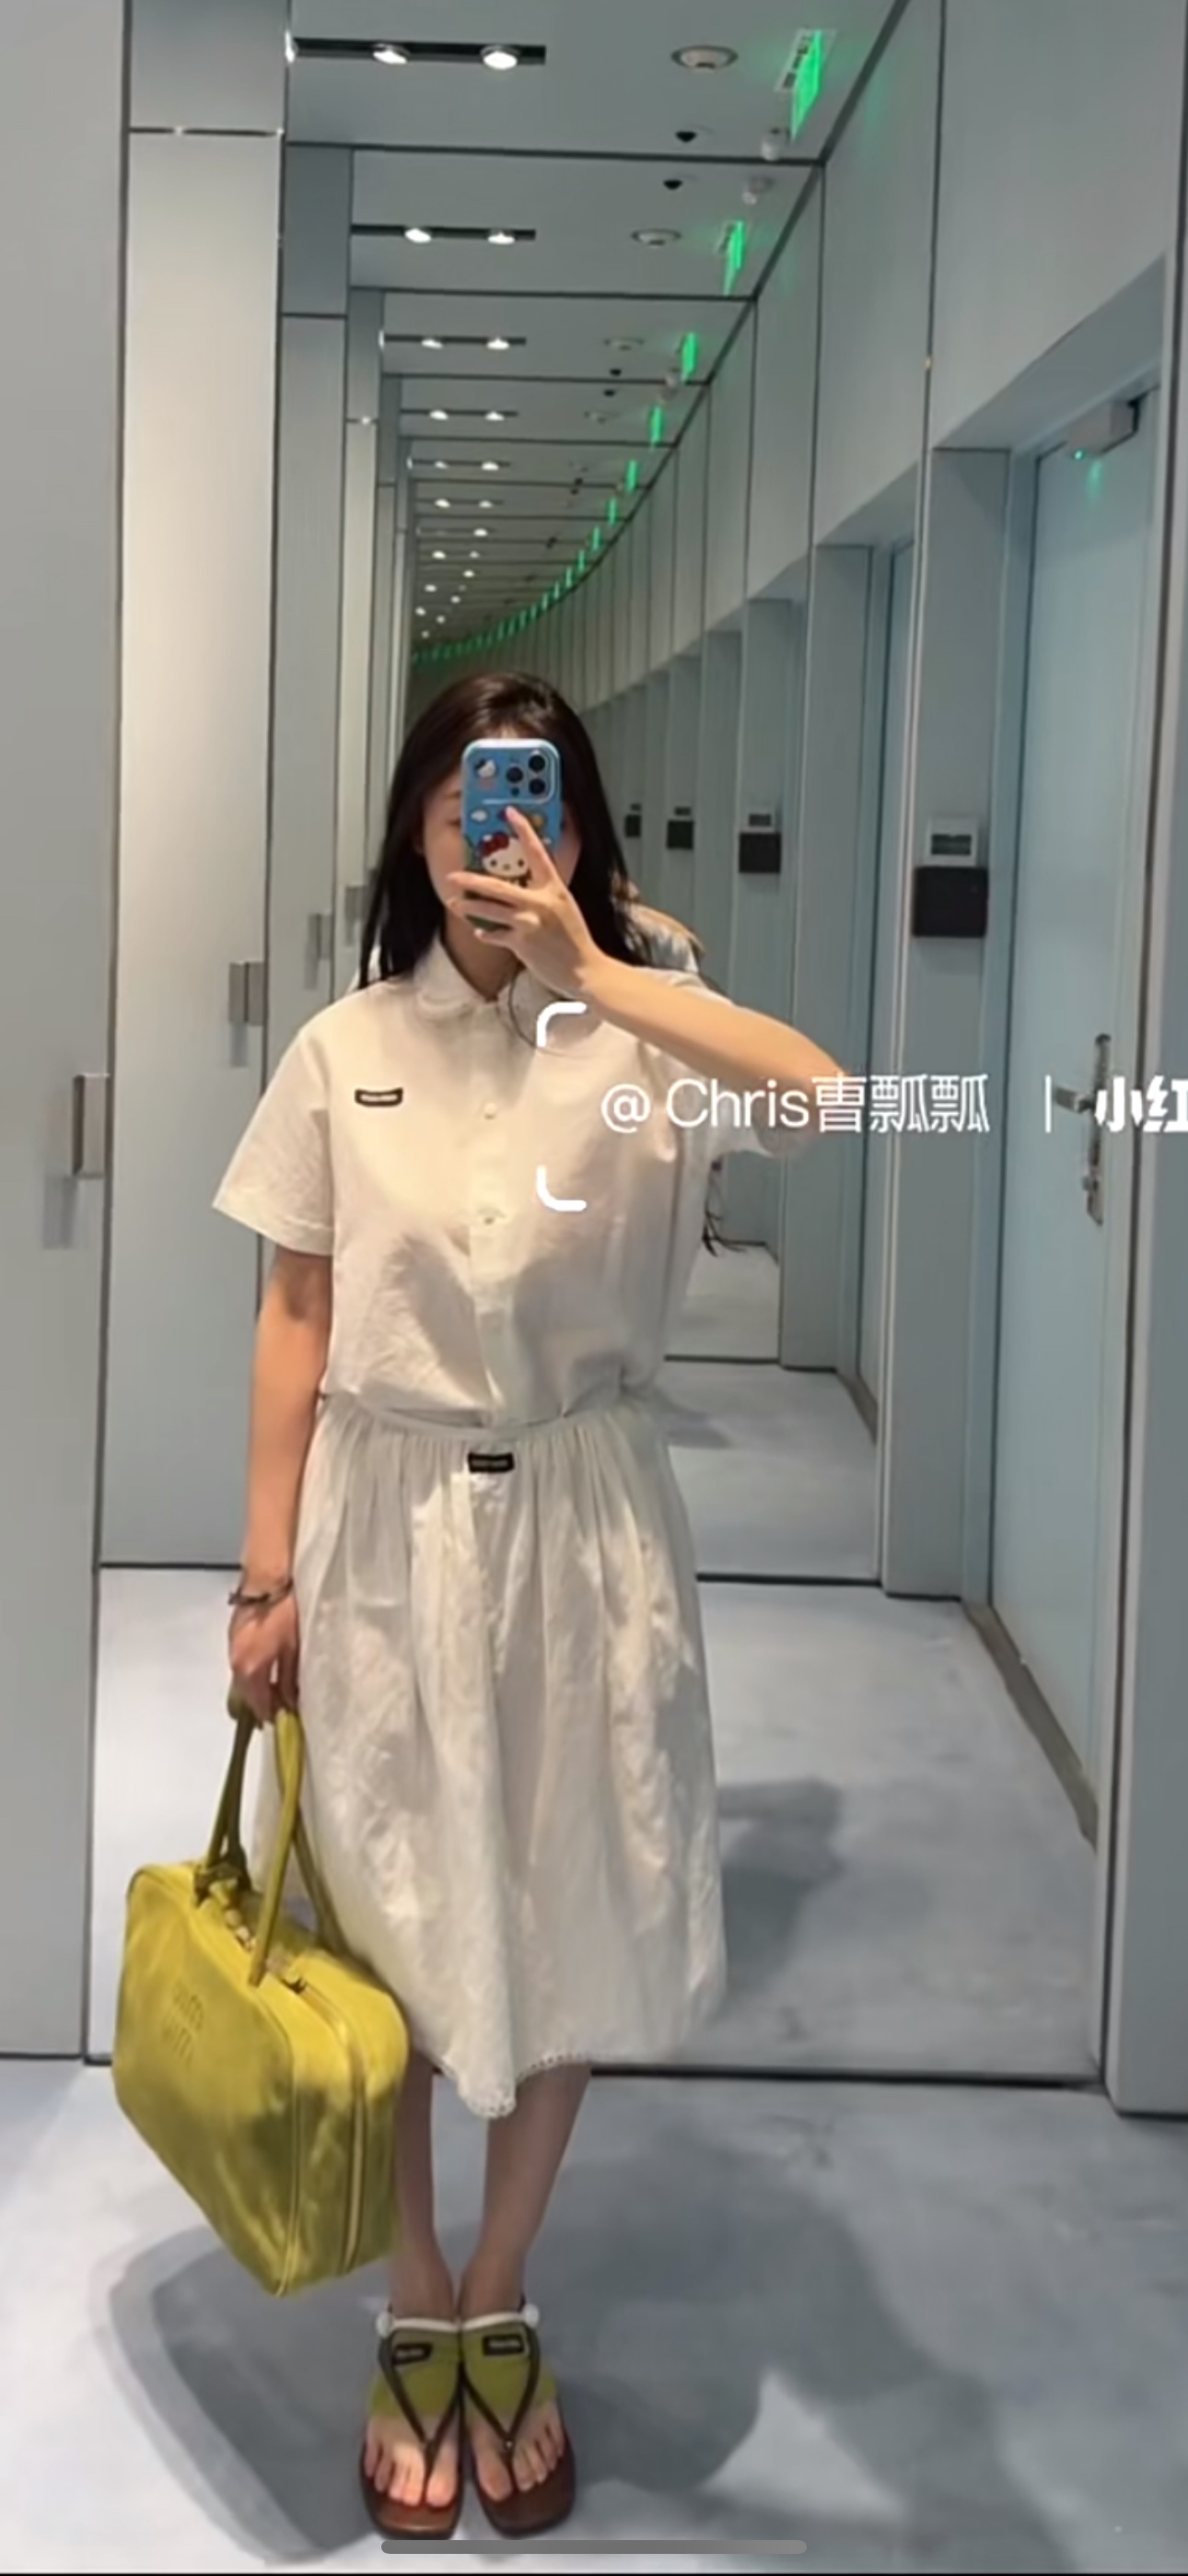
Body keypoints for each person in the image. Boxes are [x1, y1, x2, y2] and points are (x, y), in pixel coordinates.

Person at [216, 673, 842, 2544]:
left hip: (586, 1520)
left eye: (537, 806)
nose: (499, 839)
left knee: (569, 1895)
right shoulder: (344, 1045)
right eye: (470, 808)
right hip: (387, 1525)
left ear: (579, 829)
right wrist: (263, 1575)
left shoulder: (640, 1029)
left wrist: (607, 968)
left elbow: (820, 1100)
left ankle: (503, 2289)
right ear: (417, 829)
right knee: (392, 1916)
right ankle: (414, 2298)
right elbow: (297, 1316)